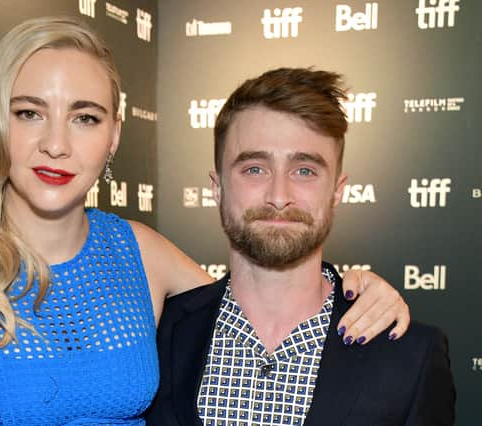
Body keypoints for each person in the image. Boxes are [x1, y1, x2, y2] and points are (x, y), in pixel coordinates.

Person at [0, 18, 410, 425]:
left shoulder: (140, 252)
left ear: (114, 137)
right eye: (28, 112)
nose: (55, 143)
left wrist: (355, 289)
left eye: (85, 117)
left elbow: (263, 303)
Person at [146, 68, 456, 425]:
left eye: (304, 170)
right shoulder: (155, 335)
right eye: (254, 168)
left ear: (337, 190)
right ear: (217, 188)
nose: (279, 196)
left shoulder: (410, 355)